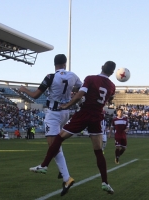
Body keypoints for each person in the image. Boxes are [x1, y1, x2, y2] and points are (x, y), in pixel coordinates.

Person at [29, 61, 116, 195]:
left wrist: (68, 105)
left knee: (59, 137)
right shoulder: (112, 85)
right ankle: (105, 182)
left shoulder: (91, 78)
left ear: (102, 67)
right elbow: (109, 99)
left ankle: (44, 165)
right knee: (98, 151)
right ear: (112, 73)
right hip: (97, 116)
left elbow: (80, 94)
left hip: (84, 113)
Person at [19, 54, 82, 196]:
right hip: (65, 113)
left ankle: (65, 177)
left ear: (55, 64)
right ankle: (62, 173)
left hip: (53, 114)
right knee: (56, 144)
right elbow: (81, 90)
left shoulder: (50, 77)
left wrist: (24, 90)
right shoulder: (73, 75)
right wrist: (71, 97)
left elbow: (35, 95)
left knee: (53, 145)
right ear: (65, 64)